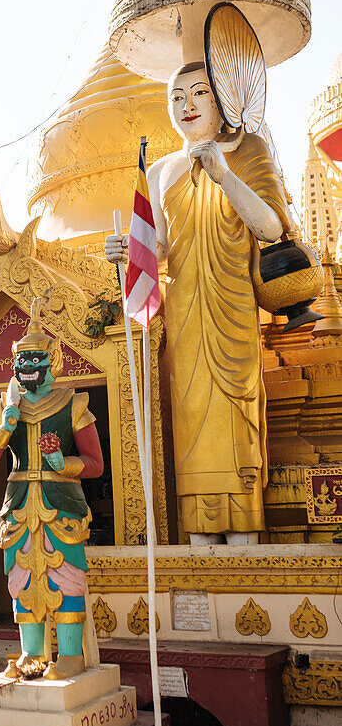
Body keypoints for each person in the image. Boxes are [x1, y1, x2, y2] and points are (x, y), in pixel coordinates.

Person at [106, 63, 290, 544]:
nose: (186, 106)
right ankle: (201, 551)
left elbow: (271, 228)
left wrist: (225, 175)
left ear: (220, 99)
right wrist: (129, 250)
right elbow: (160, 249)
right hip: (184, 312)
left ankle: (247, 546)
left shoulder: (249, 150)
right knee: (190, 426)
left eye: (199, 93)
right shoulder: (162, 169)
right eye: (176, 97)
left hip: (233, 306)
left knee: (237, 417)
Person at [0, 298, 104, 679]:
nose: (28, 369)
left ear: (54, 362)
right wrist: (5, 428)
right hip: (17, 505)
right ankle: (31, 655)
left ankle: (69, 656)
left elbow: (96, 465)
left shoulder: (72, 403)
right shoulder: (4, 406)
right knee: (22, 579)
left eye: (36, 361)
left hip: (61, 502)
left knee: (65, 575)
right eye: (22, 362)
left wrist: (57, 462)